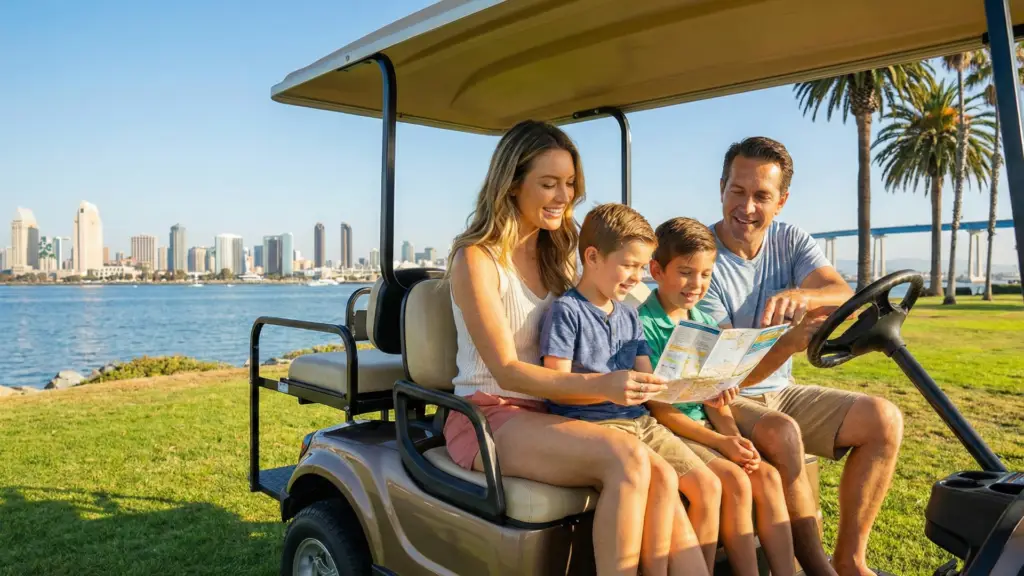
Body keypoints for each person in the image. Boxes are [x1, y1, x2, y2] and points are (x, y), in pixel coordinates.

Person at [443, 120, 696, 576]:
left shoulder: (558, 255)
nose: (564, 196)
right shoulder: (477, 259)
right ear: (513, 184)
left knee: (659, 471)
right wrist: (605, 385)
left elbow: (624, 303)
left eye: (570, 184)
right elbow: (507, 372)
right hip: (490, 415)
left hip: (554, 413)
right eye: (549, 183)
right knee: (627, 456)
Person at [697, 136, 905, 576]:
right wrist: (789, 342)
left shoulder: (789, 239)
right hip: (727, 398)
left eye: (761, 196)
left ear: (782, 201)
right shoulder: (701, 259)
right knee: (785, 432)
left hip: (781, 389)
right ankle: (816, 569)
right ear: (721, 188)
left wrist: (801, 295)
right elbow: (728, 374)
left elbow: (841, 292)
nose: (747, 207)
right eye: (738, 190)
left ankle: (849, 561)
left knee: (883, 420)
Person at [537, 203, 715, 575]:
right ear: (593, 257)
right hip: (596, 424)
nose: (637, 277)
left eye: (641, 267)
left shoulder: (629, 315)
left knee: (705, 482)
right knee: (663, 477)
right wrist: (607, 390)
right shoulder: (566, 312)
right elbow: (557, 386)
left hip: (641, 422)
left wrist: (698, 381)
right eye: (629, 265)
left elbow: (649, 377)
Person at [640, 216, 802, 576]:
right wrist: (721, 442)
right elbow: (661, 411)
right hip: (669, 430)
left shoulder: (706, 322)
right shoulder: (644, 324)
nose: (696, 284)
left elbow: (715, 401)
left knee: (767, 476)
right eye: (685, 272)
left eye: (706, 274)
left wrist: (733, 439)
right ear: (656, 270)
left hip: (703, 425)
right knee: (734, 482)